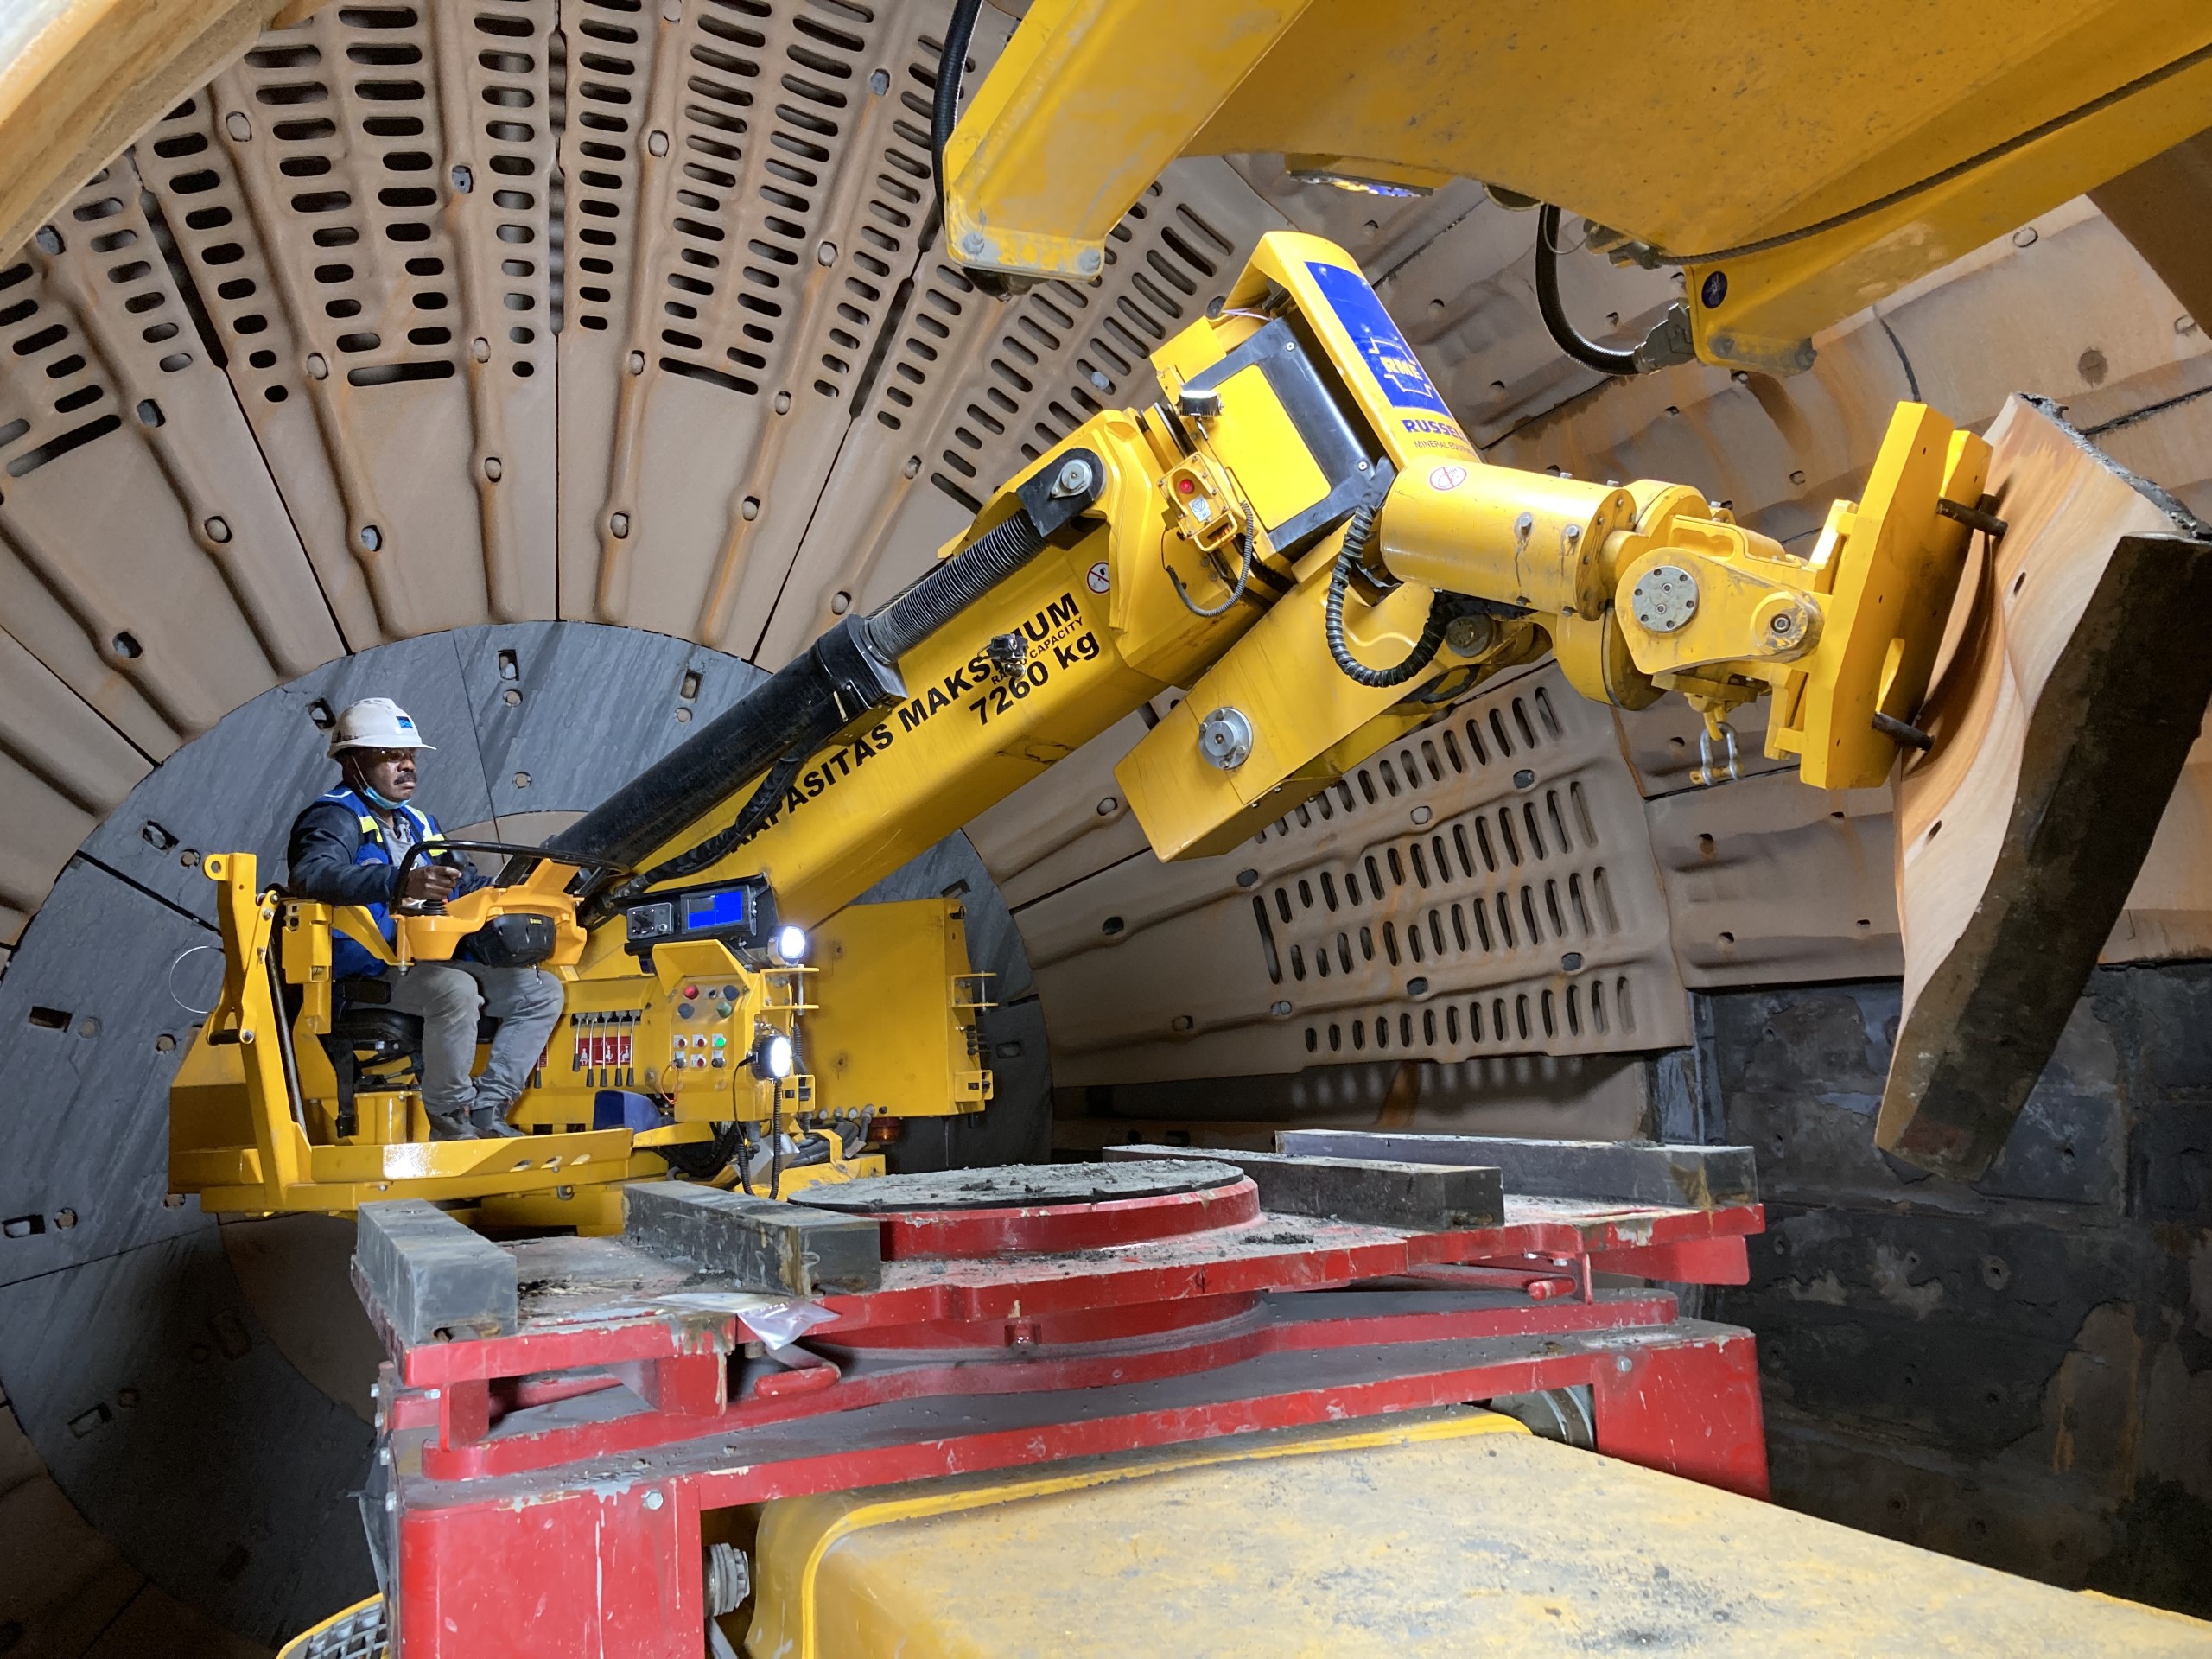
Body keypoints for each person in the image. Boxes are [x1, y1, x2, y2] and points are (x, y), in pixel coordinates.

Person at [286, 698, 564, 1141]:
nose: (407, 767)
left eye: (411, 756)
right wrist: (399, 882)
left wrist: (522, 888)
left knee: (539, 990)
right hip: (368, 970)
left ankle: (489, 1108)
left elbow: (464, 882)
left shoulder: (419, 823)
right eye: (392, 757)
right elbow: (312, 874)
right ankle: (450, 1116)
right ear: (353, 762)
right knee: (454, 991)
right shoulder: (334, 818)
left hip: (427, 958)